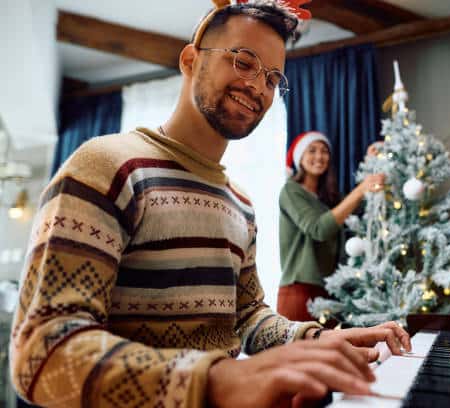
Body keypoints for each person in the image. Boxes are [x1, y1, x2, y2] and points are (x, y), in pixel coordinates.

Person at [9, 2, 410, 407]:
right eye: (243, 61)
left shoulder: (240, 203)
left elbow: (248, 318)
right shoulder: (106, 166)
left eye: (273, 79)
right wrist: (216, 381)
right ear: (189, 59)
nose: (258, 87)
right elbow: (42, 350)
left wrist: (319, 339)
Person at [278, 131, 385, 321]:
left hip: (328, 291)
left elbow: (355, 206)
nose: (319, 156)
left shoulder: (328, 200)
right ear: (300, 158)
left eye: (324, 151)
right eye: (312, 151)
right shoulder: (291, 191)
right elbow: (318, 228)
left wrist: (371, 164)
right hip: (299, 291)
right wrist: (361, 189)